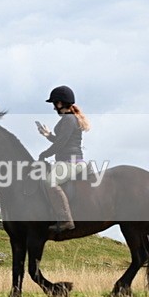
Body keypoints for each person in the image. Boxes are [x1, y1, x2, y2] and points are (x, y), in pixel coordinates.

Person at [35, 85, 91, 233]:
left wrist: (44, 154)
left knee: (49, 182)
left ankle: (66, 220)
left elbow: (60, 144)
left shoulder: (68, 119)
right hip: (69, 160)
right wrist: (48, 135)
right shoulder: (70, 119)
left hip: (71, 162)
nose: (54, 108)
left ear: (60, 103)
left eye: (54, 104)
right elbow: (62, 141)